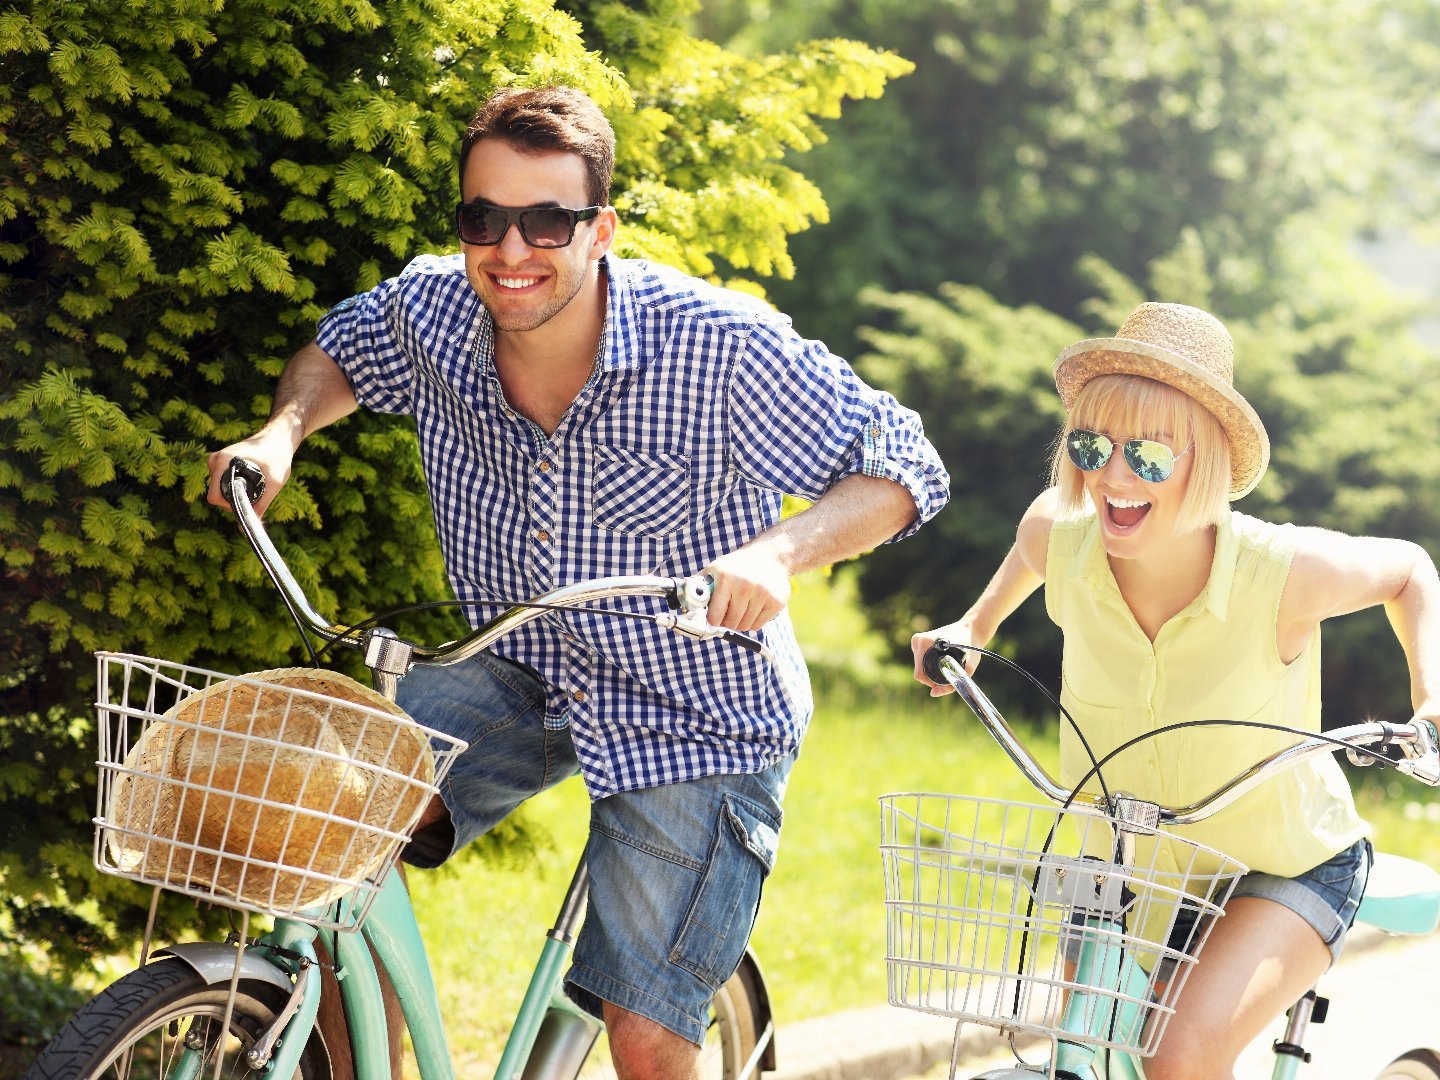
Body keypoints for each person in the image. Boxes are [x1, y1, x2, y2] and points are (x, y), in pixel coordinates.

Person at [207, 84, 949, 1078]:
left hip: (696, 705)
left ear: (600, 229)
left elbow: (904, 466)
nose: (510, 251)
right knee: (324, 826)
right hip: (510, 660)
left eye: (545, 221)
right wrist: (282, 432)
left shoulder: (717, 348)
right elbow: (342, 347)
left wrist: (780, 553)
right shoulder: (434, 309)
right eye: (484, 218)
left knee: (643, 1028)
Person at [910, 302, 1440, 1080]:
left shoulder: (1283, 572)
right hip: (1131, 867)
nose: (1114, 477)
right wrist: (975, 627)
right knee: (1086, 1047)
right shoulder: (1059, 536)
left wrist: (1429, 706)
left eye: (1149, 457)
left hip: (1284, 862)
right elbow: (1025, 556)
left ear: (1210, 465)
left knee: (1177, 1055)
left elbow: (1410, 572)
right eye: (1093, 446)